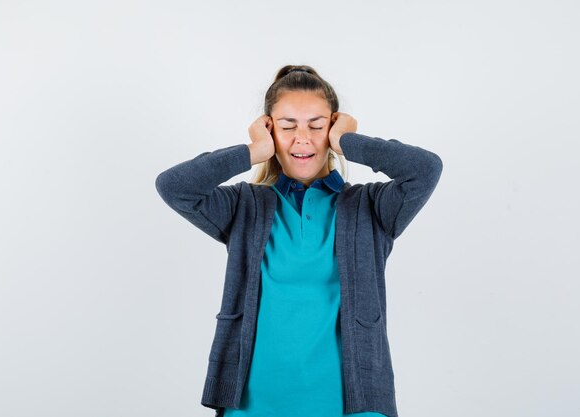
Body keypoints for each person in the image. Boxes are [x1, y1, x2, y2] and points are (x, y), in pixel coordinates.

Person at [155, 64, 443, 417]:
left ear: (333, 127)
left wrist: (349, 143)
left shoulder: (370, 207)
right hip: (252, 406)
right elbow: (174, 187)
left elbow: (426, 169)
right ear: (268, 130)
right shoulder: (244, 205)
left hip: (354, 406)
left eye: (317, 126)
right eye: (287, 126)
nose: (302, 138)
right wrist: (251, 151)